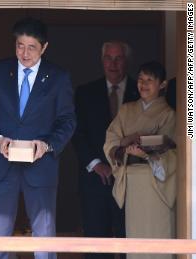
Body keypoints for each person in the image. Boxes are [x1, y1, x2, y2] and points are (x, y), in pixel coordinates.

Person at [0, 17, 76, 259]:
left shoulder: (58, 77)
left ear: (44, 47)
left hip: (41, 165)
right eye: (19, 45)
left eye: (31, 47)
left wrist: (47, 144)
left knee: (44, 237)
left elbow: (67, 120)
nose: (24, 52)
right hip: (2, 165)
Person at [72, 41, 139, 259]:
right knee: (96, 244)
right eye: (108, 58)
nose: (113, 63)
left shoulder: (141, 90)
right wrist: (96, 163)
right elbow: (77, 133)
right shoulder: (85, 93)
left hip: (131, 180)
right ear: (102, 61)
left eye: (118, 58)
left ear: (126, 61)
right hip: (95, 180)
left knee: (130, 241)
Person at [104, 61, 176, 259]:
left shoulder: (168, 114)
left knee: (158, 237)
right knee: (136, 241)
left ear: (162, 84)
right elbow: (111, 140)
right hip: (133, 182)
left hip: (156, 185)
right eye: (141, 79)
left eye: (150, 80)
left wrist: (144, 154)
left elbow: (171, 152)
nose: (143, 84)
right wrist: (126, 145)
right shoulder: (126, 110)